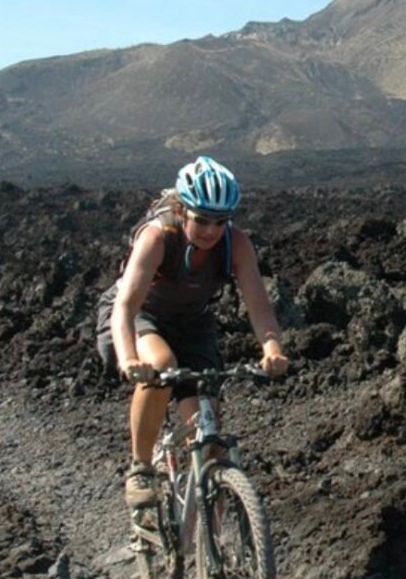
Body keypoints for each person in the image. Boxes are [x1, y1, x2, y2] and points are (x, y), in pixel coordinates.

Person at [96, 156, 290, 509]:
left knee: (210, 443)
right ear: (182, 209)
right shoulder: (157, 237)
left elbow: (259, 305)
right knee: (162, 365)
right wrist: (128, 358)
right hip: (142, 317)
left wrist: (272, 348)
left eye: (219, 221)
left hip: (192, 324)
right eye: (201, 219)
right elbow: (124, 308)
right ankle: (140, 468)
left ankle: (209, 548)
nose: (210, 231)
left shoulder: (237, 244)